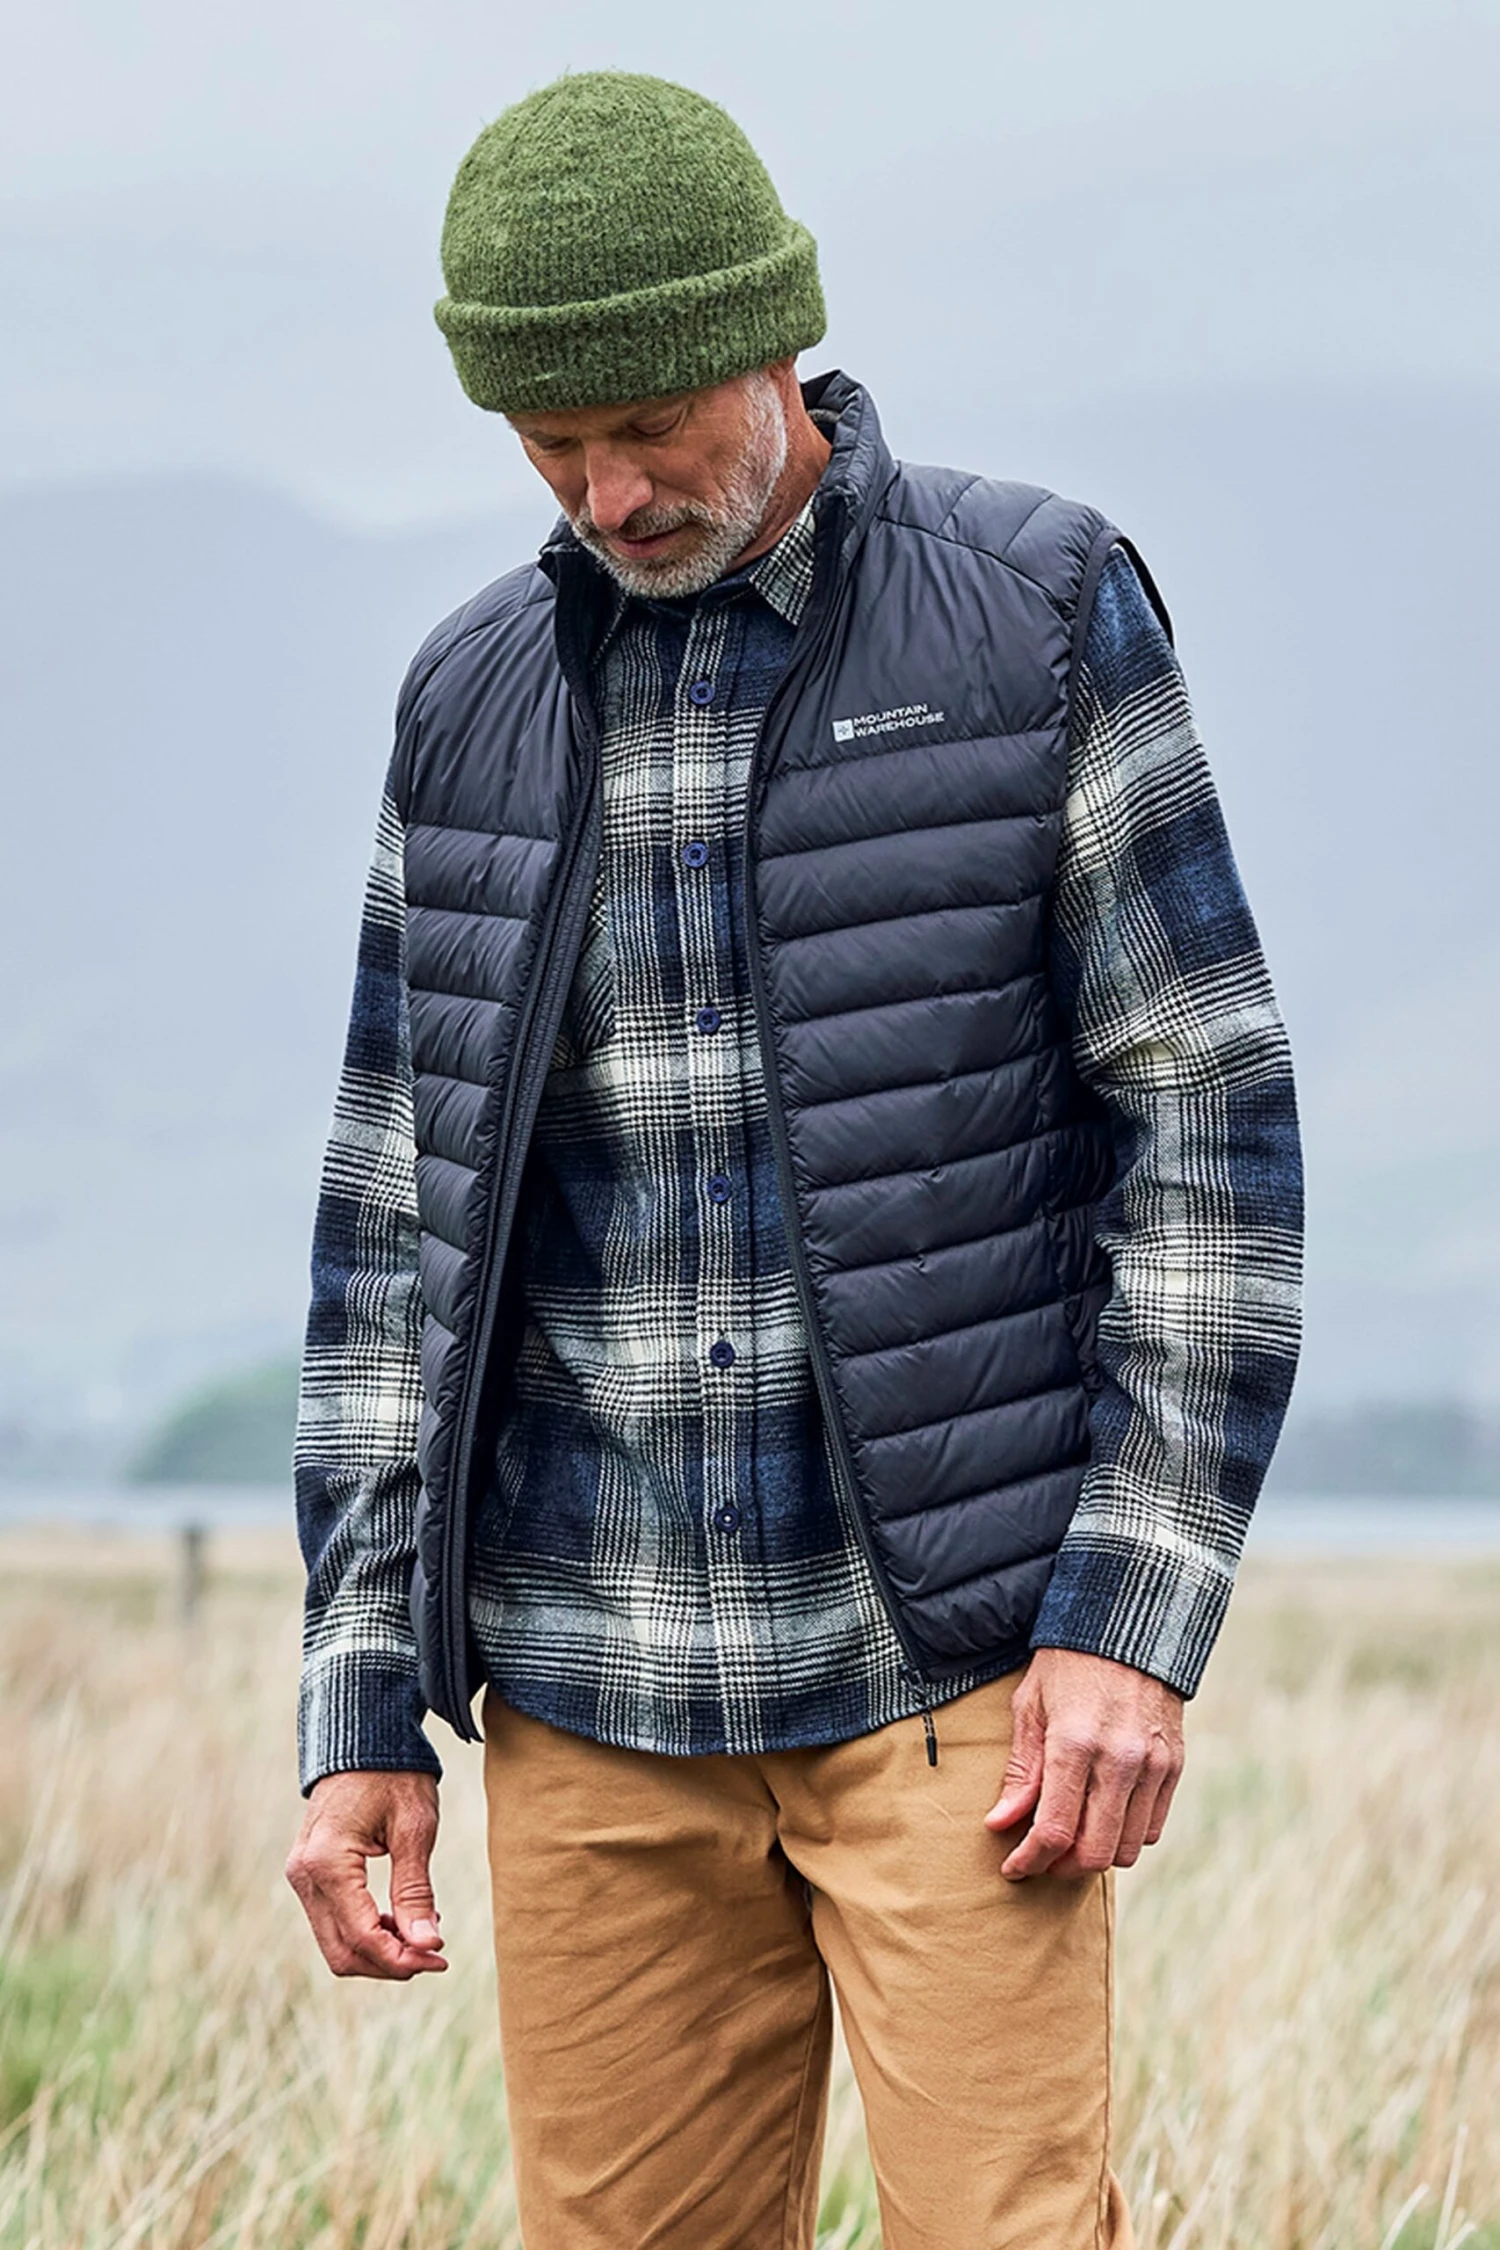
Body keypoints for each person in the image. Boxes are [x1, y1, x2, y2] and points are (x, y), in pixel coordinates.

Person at [284, 69, 1303, 2250]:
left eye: (649, 425)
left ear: (771, 337)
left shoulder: (1037, 611)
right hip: (586, 1706)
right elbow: (389, 1229)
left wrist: (1136, 1611)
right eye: (550, 446)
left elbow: (1206, 1118)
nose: (611, 493)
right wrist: (359, 1690)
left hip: (959, 1693)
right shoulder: (464, 700)